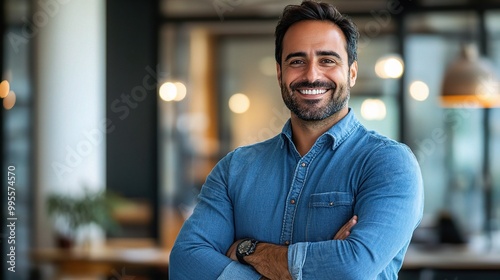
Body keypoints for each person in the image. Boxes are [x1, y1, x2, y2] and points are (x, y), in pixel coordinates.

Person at [169, 1, 424, 279]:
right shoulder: (235, 169)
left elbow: (352, 267)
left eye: (327, 60)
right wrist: (320, 264)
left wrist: (247, 250)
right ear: (280, 73)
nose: (312, 74)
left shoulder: (389, 163)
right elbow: (185, 262)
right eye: (297, 61)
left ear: (351, 72)